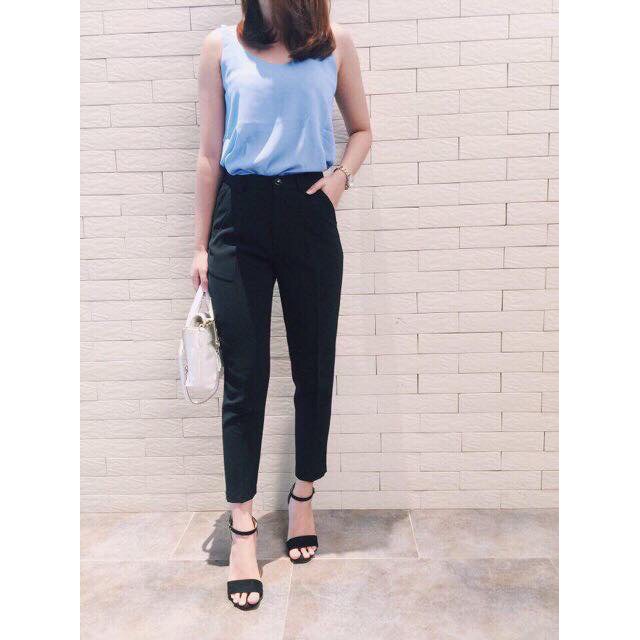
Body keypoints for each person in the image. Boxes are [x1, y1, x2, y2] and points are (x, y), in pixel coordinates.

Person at [190, 0, 371, 610]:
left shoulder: (334, 43)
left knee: (313, 368)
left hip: (308, 213)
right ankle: (243, 525)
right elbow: (209, 153)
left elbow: (363, 129)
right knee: (246, 379)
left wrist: (338, 180)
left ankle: (302, 496)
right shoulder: (222, 46)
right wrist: (199, 246)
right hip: (238, 220)